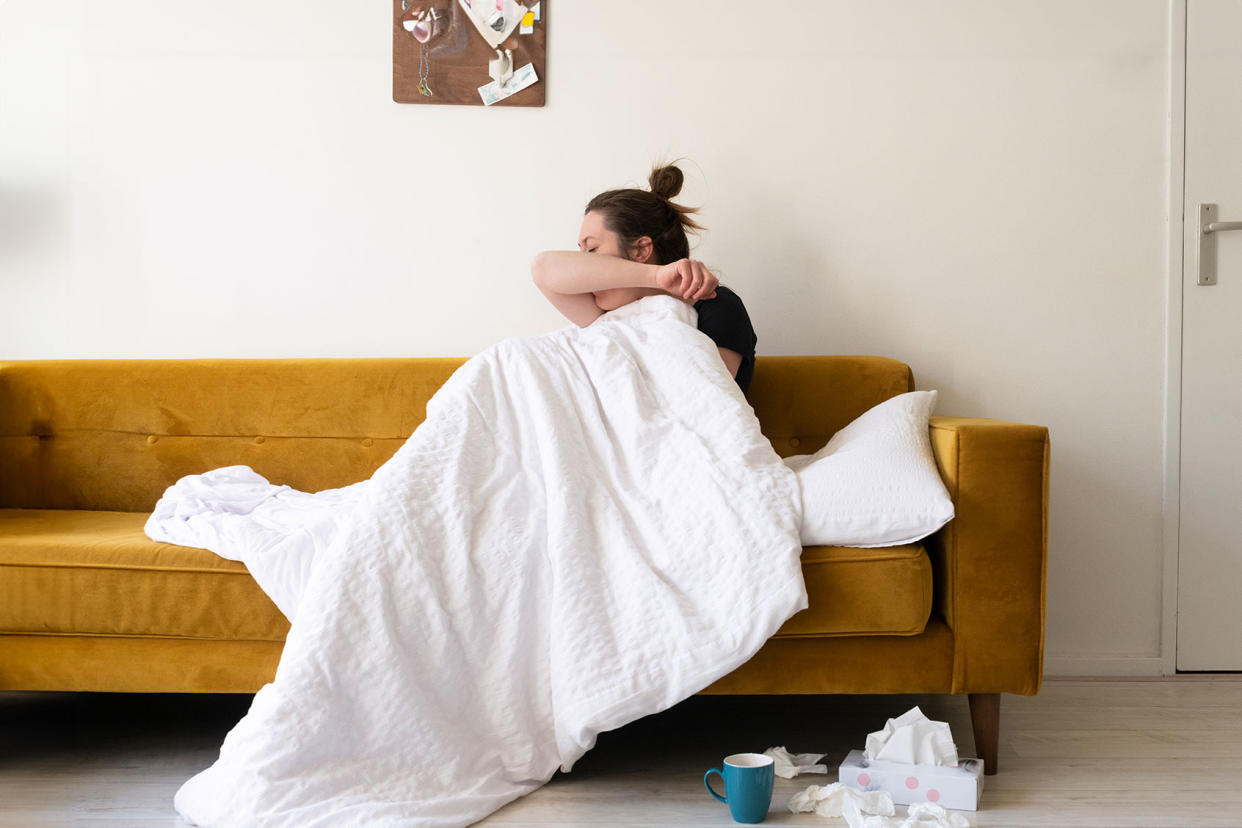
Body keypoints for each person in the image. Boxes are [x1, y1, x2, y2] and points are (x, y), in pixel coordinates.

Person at [531, 163, 758, 394]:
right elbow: (543, 268)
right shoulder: (607, 316)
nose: (585, 266)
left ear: (640, 250)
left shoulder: (716, 306)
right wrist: (657, 275)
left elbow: (703, 400)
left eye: (591, 251)